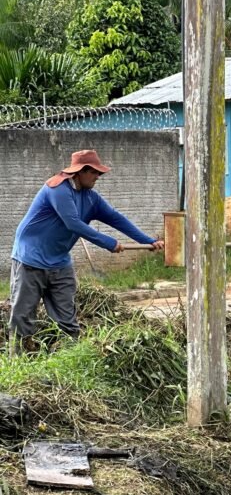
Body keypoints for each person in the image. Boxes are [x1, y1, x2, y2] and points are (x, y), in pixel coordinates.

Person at [7, 150, 164, 354]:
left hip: (60, 263)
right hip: (30, 260)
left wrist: (149, 241)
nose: (98, 177)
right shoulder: (57, 188)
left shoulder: (90, 198)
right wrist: (108, 243)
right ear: (80, 172)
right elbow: (73, 223)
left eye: (99, 173)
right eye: (94, 173)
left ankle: (67, 363)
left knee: (67, 321)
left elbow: (116, 218)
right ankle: (19, 365)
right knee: (23, 318)